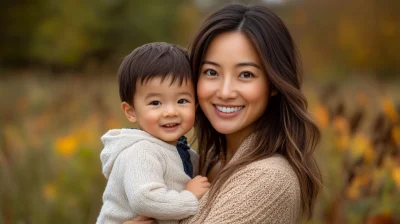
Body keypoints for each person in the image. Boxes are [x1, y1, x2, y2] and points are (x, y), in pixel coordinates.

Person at [125, 3, 322, 224]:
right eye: (211, 72)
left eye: (246, 74)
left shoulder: (269, 179)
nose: (225, 92)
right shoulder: (203, 162)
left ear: (274, 83)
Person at [96, 42, 211, 224]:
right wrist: (189, 196)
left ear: (195, 105)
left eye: (182, 100)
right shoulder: (140, 152)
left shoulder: (185, 154)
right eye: (156, 103)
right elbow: (145, 199)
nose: (171, 112)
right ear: (131, 111)